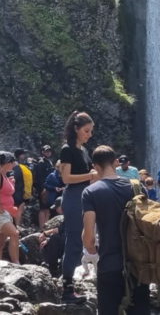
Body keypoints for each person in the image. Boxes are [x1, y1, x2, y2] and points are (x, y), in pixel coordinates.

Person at [82, 145, 151, 315]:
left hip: (109, 265)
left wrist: (94, 250)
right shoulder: (138, 187)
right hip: (139, 265)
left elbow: (89, 239)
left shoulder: (90, 192)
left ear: (95, 167)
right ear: (115, 162)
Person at [58, 111, 96, 304]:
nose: (89, 134)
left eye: (91, 131)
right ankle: (67, 288)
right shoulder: (68, 149)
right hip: (74, 196)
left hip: (84, 196)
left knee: (80, 240)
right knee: (73, 240)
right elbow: (66, 178)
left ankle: (69, 282)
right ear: (76, 129)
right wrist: (90, 175)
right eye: (86, 130)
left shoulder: (82, 150)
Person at [0, 151, 22, 263]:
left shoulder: (4, 175)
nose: (13, 165)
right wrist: (0, 209)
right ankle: (16, 263)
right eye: (12, 162)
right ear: (7, 162)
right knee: (14, 234)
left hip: (5, 212)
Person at [38, 196, 65, 277]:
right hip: (68, 240)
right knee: (49, 241)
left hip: (72, 242)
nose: (56, 210)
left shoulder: (71, 215)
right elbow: (61, 230)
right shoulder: (67, 215)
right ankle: (50, 265)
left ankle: (52, 268)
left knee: (53, 239)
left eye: (57, 207)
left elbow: (61, 231)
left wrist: (46, 234)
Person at [32, 145, 55, 227]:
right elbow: (39, 177)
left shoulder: (49, 162)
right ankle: (42, 227)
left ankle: (46, 225)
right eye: (46, 151)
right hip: (43, 188)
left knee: (48, 208)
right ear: (42, 152)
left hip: (49, 188)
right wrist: (43, 189)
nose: (48, 152)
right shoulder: (41, 162)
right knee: (43, 208)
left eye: (49, 151)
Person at [12, 149, 32, 227]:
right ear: (19, 156)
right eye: (23, 154)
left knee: (18, 211)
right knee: (18, 211)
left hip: (20, 191)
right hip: (18, 192)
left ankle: (17, 227)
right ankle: (17, 228)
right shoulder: (17, 167)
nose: (24, 156)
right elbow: (15, 178)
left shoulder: (22, 166)